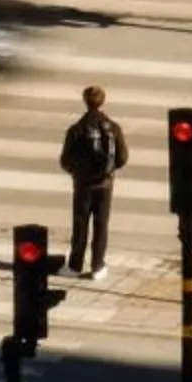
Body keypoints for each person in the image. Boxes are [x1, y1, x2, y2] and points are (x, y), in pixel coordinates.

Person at [58, 85, 130, 280]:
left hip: (83, 185)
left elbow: (65, 161)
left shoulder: (76, 130)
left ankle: (74, 266)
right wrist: (109, 171)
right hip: (105, 185)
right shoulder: (113, 128)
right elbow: (122, 158)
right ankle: (98, 266)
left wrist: (77, 173)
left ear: (85, 101)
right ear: (102, 101)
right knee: (101, 225)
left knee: (80, 224)